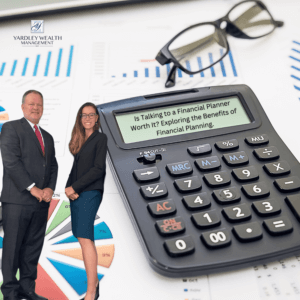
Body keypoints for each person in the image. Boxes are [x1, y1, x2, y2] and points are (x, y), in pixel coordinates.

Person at [0, 90, 58, 300]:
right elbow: (11, 162)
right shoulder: (11, 128)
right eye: (32, 104)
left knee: (33, 248)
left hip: (40, 203)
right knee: (12, 248)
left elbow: (52, 166)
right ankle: (10, 293)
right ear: (23, 106)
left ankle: (27, 289)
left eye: (39, 105)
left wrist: (50, 189)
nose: (36, 108)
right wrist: (32, 188)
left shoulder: (48, 137)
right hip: (17, 201)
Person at [65, 102, 107, 300]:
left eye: (91, 115)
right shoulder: (81, 140)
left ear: (97, 118)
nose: (88, 118)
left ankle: (91, 293)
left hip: (90, 191)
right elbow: (76, 169)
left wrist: (76, 187)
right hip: (78, 192)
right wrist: (69, 189)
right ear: (80, 119)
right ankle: (94, 286)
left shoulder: (100, 138)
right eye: (84, 115)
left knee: (84, 238)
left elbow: (98, 169)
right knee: (85, 238)